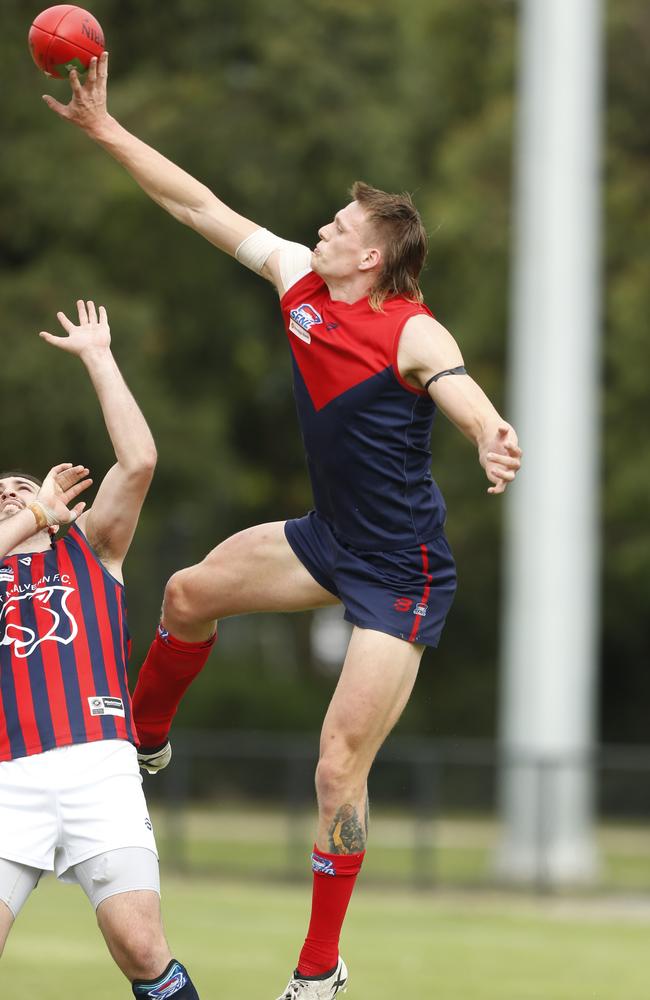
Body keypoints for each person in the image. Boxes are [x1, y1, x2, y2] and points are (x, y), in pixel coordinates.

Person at [44, 54, 522, 1000]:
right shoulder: (302, 284)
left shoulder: (409, 328)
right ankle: (143, 741)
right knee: (184, 596)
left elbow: (457, 385)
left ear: (371, 258)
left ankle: (318, 971)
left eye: (339, 227)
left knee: (337, 767)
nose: (322, 230)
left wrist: (489, 433)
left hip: (400, 571)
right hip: (328, 537)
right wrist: (106, 130)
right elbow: (197, 206)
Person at [0, 300, 201, 999]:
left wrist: (97, 356)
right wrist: (32, 512)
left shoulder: (89, 552)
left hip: (97, 764)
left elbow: (139, 459)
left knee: (141, 947)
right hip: (6, 775)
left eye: (19, 488)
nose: (9, 496)